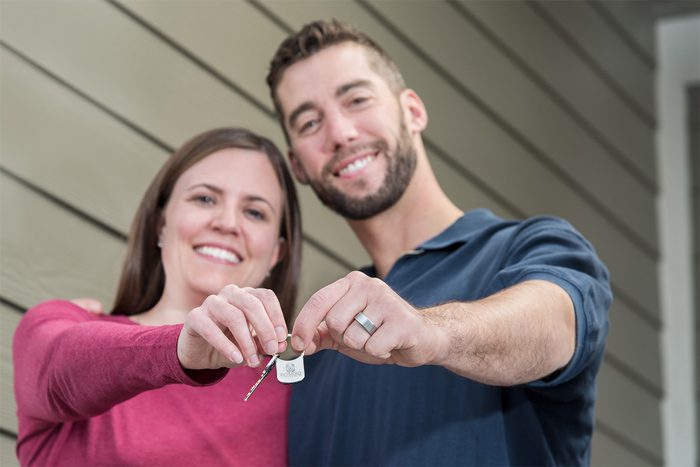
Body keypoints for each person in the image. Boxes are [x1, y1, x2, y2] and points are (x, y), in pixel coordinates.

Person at [266, 20, 612, 465]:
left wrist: (430, 332)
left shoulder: (529, 248)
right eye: (310, 122)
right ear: (298, 166)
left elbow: (558, 327)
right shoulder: (318, 349)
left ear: (412, 111)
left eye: (357, 99)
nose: (340, 132)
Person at [13, 127, 302, 466]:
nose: (227, 223)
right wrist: (178, 350)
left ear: (276, 253)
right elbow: (55, 373)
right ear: (161, 222)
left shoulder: (298, 393)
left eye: (254, 212)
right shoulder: (64, 328)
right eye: (205, 198)